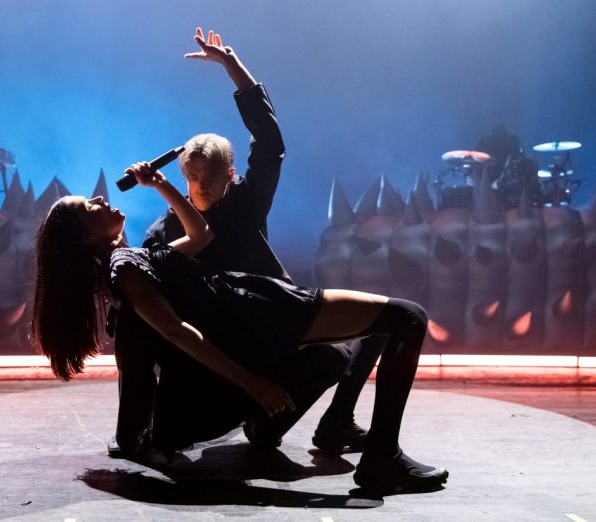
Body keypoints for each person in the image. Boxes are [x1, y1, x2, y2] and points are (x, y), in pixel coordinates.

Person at [30, 161, 449, 495]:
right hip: (259, 312)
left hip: (255, 307)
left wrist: (160, 184)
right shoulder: (125, 269)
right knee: (407, 318)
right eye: (89, 207)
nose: (100, 198)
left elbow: (201, 232)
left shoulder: (132, 262)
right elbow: (177, 332)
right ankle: (381, 458)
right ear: (87, 239)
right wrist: (251, 384)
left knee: (384, 325)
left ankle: (367, 444)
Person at [116, 26, 382, 459]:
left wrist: (233, 67)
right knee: (342, 348)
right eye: (195, 175)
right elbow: (153, 321)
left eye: (208, 176)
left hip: (270, 322)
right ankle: (250, 417)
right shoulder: (169, 231)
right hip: (219, 355)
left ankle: (308, 422)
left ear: (228, 175)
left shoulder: (240, 204)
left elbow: (270, 142)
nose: (201, 183)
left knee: (357, 339)